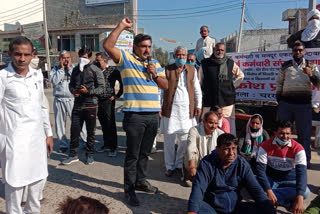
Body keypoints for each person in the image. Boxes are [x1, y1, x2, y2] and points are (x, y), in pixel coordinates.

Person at [104, 17, 168, 207]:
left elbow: (165, 84)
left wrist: (154, 74)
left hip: (152, 117)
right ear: (135, 47)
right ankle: (129, 190)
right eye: (143, 46)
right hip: (135, 117)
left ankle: (141, 181)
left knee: (144, 153)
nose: (147, 49)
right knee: (132, 154)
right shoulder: (126, 59)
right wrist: (122, 26)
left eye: (149, 46)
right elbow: (108, 45)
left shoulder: (155, 63)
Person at [0, 36, 53, 214]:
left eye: (26, 54)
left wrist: (48, 133)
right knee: (15, 186)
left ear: (32, 55)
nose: (22, 59)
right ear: (10, 54)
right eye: (17, 54)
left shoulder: (36, 75)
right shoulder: (3, 77)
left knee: (37, 185)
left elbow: (41, 106)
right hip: (14, 143)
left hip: (37, 141)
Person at [187, 133, 276, 214]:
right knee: (196, 207)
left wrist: (270, 209)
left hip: (235, 207)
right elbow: (198, 189)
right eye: (226, 149)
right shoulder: (207, 163)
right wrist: (192, 211)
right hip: (212, 208)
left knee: (263, 207)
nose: (231, 153)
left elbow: (255, 189)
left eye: (234, 149)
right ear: (217, 149)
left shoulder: (241, 164)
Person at [159, 46, 202, 179]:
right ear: (174, 56)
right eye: (179, 55)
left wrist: (198, 105)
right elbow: (160, 90)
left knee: (184, 140)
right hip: (170, 109)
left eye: (184, 55)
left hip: (186, 111)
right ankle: (169, 166)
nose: (182, 57)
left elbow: (197, 90)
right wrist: (158, 106)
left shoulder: (192, 70)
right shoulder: (167, 69)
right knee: (169, 140)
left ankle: (178, 165)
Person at [276, 41, 320, 168]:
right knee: (283, 133)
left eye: (300, 50)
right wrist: (280, 100)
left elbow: (319, 84)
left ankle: (304, 161)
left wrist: (311, 75)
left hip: (303, 106)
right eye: (295, 50)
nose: (298, 52)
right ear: (292, 52)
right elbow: (279, 83)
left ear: (304, 51)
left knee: (304, 135)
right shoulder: (286, 66)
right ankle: (283, 159)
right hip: (286, 105)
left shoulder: (311, 66)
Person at [256, 120, 310, 213]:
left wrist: (300, 198)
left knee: (305, 192)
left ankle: (269, 199)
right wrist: (269, 190)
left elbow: (301, 173)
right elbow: (260, 171)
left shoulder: (298, 148)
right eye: (281, 133)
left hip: (290, 180)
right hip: (271, 179)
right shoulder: (265, 146)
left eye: (288, 133)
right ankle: (287, 203)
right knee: (254, 184)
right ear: (275, 133)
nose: (285, 137)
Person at [62, 48, 105, 165]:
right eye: (80, 57)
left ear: (90, 58)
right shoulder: (75, 70)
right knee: (74, 130)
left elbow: (102, 88)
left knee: (91, 132)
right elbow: (71, 84)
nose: (82, 59)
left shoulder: (95, 70)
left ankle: (89, 154)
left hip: (91, 104)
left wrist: (88, 91)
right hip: (77, 104)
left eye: (85, 57)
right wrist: (73, 91)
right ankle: (73, 154)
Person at [200, 43, 244, 136]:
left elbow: (240, 76)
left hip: (226, 100)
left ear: (224, 51)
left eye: (222, 50)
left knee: (227, 125)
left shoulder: (230, 63)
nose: (220, 52)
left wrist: (231, 86)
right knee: (208, 123)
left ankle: (228, 145)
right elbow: (200, 79)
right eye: (218, 50)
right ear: (214, 50)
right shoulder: (205, 63)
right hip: (209, 98)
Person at [50, 50, 87, 153]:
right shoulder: (55, 69)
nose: (66, 60)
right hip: (59, 99)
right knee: (60, 123)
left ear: (70, 58)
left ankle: (84, 141)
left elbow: (78, 79)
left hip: (72, 99)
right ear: (59, 59)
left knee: (78, 121)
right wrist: (61, 69)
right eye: (63, 58)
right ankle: (63, 144)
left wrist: (69, 68)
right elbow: (54, 81)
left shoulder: (75, 68)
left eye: (68, 58)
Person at [184, 111, 223, 187]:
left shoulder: (220, 133)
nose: (213, 126)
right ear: (204, 122)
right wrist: (192, 166)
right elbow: (190, 148)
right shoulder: (194, 130)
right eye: (211, 123)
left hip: (211, 163)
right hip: (196, 162)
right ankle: (190, 174)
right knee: (192, 152)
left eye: (216, 123)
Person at [95, 52, 123, 157]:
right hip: (98, 100)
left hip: (109, 100)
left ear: (105, 60)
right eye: (96, 60)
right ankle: (106, 144)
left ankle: (113, 147)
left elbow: (121, 83)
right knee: (103, 123)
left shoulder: (113, 70)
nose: (96, 62)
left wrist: (117, 95)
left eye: (98, 60)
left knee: (110, 123)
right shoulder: (96, 71)